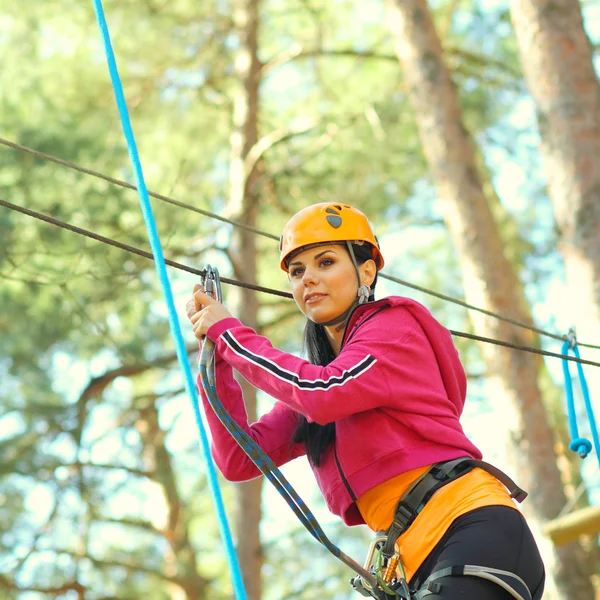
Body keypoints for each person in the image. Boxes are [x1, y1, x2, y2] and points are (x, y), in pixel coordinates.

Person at [186, 203, 545, 599]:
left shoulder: (393, 329)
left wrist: (232, 336)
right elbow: (239, 459)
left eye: (325, 262)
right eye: (297, 272)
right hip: (414, 560)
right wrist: (216, 359)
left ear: (368, 271)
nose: (309, 280)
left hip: (470, 528)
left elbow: (323, 392)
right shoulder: (317, 387)